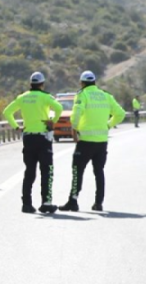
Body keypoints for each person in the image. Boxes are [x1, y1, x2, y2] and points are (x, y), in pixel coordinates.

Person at [60, 71, 126, 213]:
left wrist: (74, 128)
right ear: (95, 82)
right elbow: (121, 113)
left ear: (82, 83)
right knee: (99, 172)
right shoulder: (106, 95)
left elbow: (76, 112)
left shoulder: (83, 94)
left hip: (85, 141)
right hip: (101, 142)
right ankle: (98, 203)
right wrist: (108, 125)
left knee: (78, 171)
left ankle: (73, 201)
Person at [3, 71, 63, 214]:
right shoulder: (45, 97)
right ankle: (46, 203)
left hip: (28, 138)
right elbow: (59, 108)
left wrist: (17, 127)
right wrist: (52, 121)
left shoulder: (22, 97)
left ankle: (26, 204)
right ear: (42, 84)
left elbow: (7, 112)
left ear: (31, 84)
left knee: (30, 172)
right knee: (46, 171)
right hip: (43, 138)